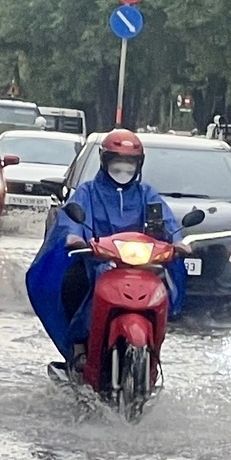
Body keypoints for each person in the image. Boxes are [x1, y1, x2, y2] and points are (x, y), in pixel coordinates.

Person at [53, 128, 176, 367]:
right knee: (73, 282)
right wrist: (74, 236)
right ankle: (79, 344)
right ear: (105, 161)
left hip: (139, 264)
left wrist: (179, 242)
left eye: (130, 163)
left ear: (139, 165)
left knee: (165, 283)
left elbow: (167, 222)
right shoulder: (88, 191)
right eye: (118, 162)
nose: (124, 169)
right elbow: (72, 219)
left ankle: (153, 345)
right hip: (97, 260)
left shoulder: (146, 193)